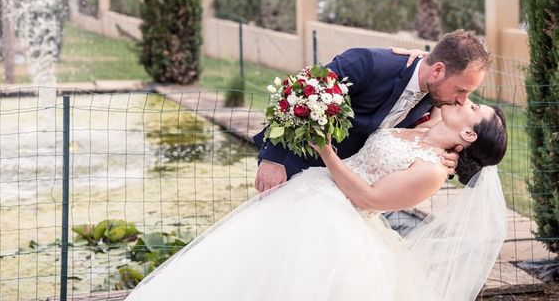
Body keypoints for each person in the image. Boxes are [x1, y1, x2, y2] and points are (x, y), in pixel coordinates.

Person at [124, 101, 508, 301]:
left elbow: (369, 197)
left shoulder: (432, 171)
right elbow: (437, 76)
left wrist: (327, 153)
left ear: (470, 134)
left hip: (336, 218)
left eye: (474, 108)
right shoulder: (430, 124)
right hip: (311, 192)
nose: (468, 101)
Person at [254, 30, 491, 192]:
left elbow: (439, 135)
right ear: (438, 70)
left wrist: (453, 158)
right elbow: (300, 94)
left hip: (347, 190)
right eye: (461, 89)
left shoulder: (437, 97)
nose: (462, 100)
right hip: (295, 170)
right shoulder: (369, 63)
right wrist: (272, 160)